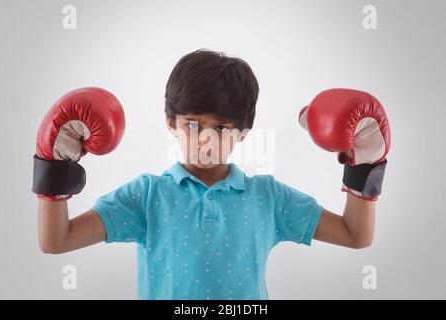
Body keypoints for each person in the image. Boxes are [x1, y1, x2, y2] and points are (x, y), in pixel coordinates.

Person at [34, 49, 390, 300]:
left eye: (221, 127)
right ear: (170, 124)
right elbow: (57, 241)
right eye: (192, 124)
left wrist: (365, 165)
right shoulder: (147, 196)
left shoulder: (267, 197)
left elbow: (354, 234)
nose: (205, 138)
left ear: (243, 133)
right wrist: (55, 168)